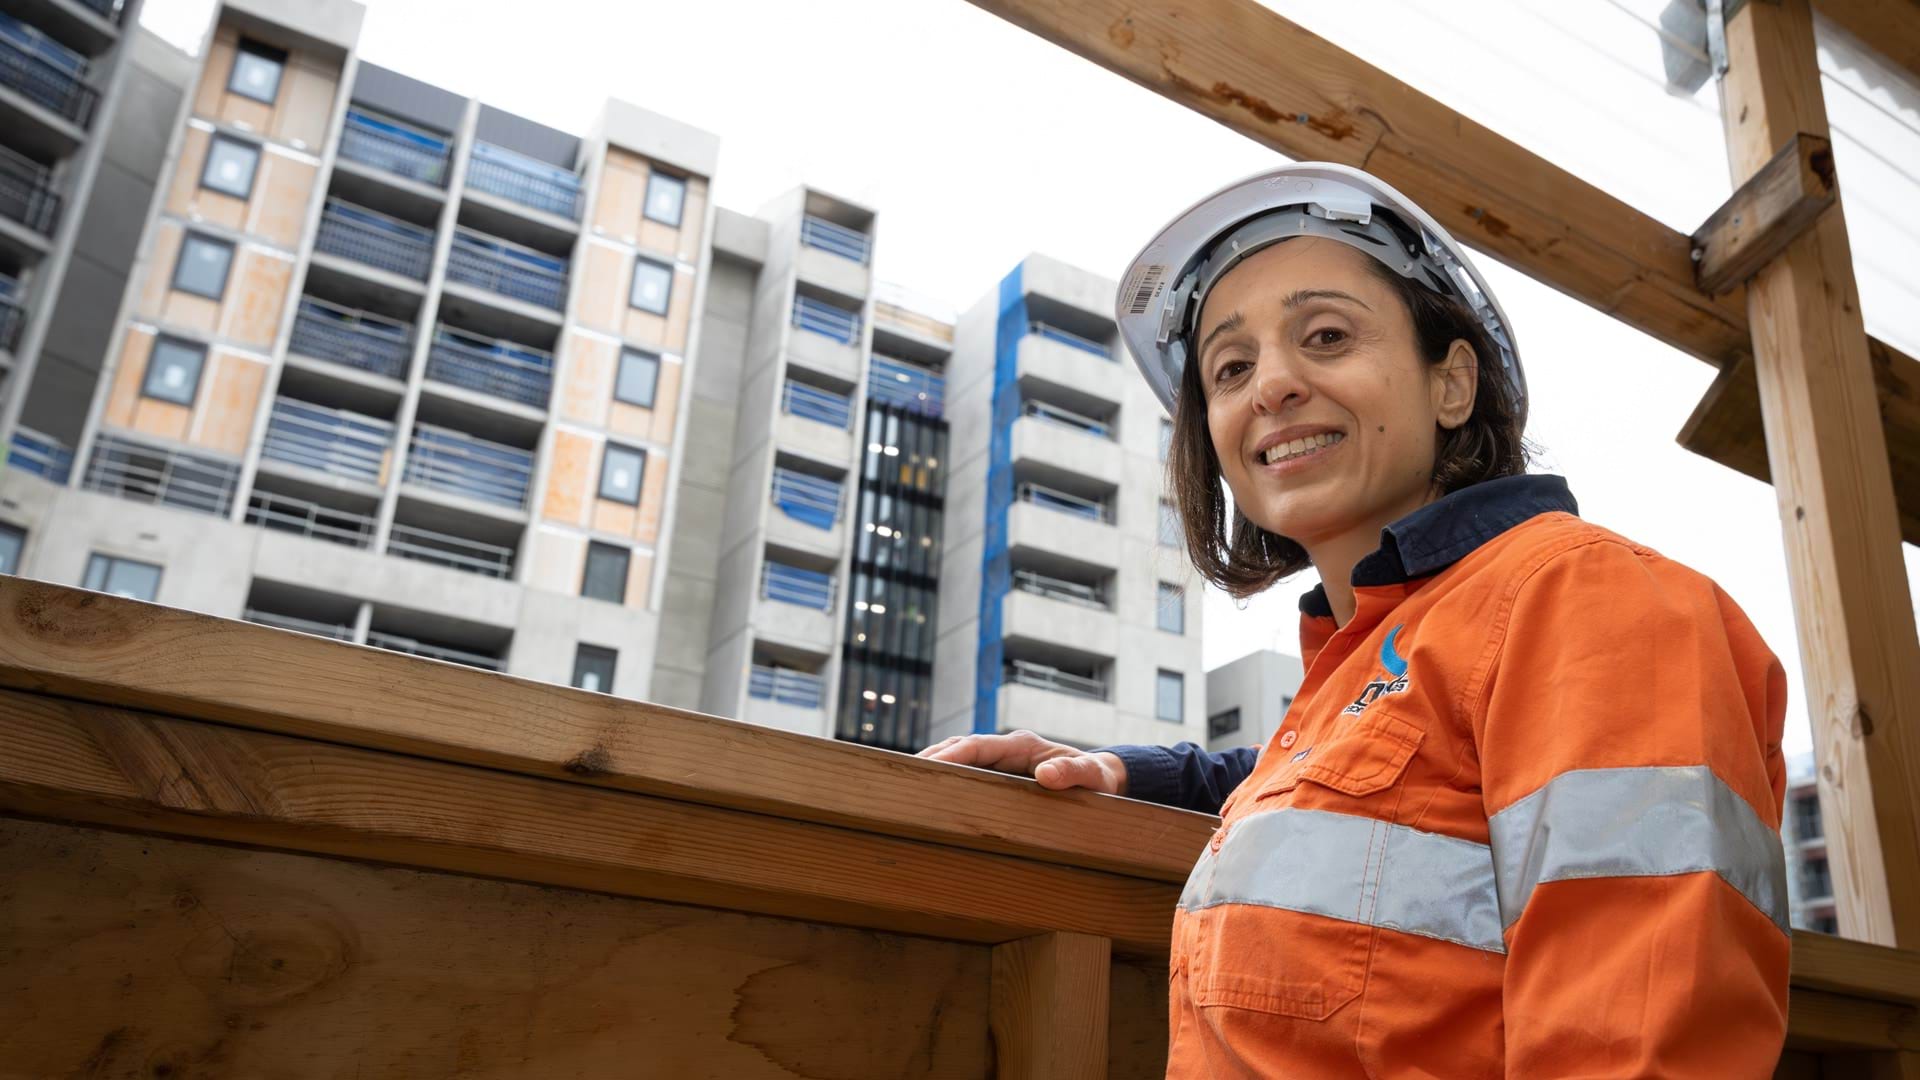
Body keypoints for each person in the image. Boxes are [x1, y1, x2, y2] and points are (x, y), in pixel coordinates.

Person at [919, 163, 1790, 1077]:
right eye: (1231, 367)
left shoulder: (1590, 602)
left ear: (1452, 385)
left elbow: (1644, 1041)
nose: (1273, 386)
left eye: (1326, 335)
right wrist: (1117, 773)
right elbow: (1361, 804)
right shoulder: (1375, 662)